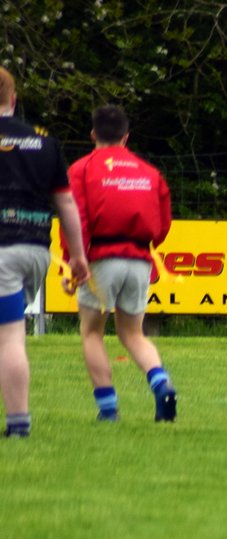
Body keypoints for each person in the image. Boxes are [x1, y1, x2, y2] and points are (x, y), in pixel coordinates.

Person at [64, 105, 178, 423]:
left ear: (93, 134)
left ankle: (108, 409)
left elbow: (76, 218)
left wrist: (73, 260)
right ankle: (161, 382)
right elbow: (163, 224)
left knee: (92, 332)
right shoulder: (149, 172)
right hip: (139, 258)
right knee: (133, 334)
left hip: (101, 258)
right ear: (126, 137)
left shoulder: (82, 169)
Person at [0, 66, 89, 439]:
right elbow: (66, 203)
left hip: (2, 252)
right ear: (14, 98)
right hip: (35, 250)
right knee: (10, 335)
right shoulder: (44, 142)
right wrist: (77, 256)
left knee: (8, 338)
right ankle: (18, 421)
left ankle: (19, 422)